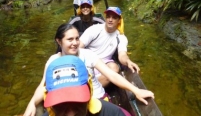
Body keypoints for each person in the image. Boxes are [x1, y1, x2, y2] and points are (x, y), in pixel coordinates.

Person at [23, 24, 154, 116]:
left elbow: (111, 75)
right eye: (70, 39)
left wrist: (136, 90)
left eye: (76, 38)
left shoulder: (87, 54)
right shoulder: (53, 61)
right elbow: (43, 86)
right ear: (59, 41)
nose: (75, 43)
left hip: (96, 99)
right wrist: (32, 103)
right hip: (67, 102)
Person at [43, 55, 130, 116]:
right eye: (61, 105)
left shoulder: (113, 113)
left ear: (90, 90)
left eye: (77, 102)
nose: (71, 114)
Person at [80, 6, 139, 87]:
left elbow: (122, 55)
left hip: (105, 64)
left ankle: (91, 89)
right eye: (108, 17)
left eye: (114, 18)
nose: (110, 20)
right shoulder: (95, 29)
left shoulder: (121, 37)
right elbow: (79, 46)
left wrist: (128, 61)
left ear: (119, 20)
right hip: (89, 60)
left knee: (114, 68)